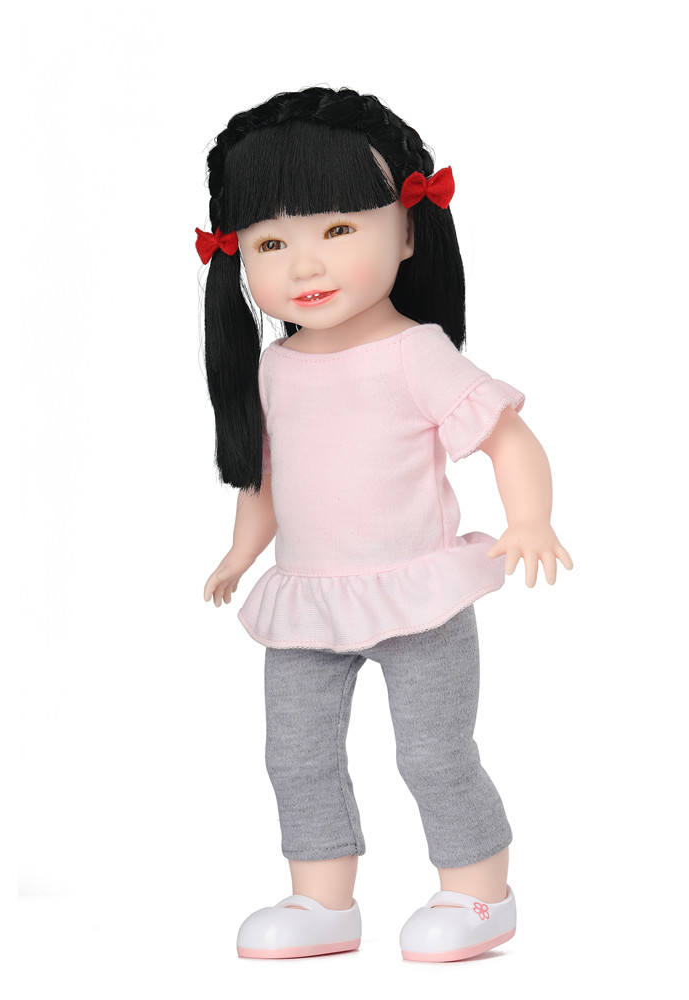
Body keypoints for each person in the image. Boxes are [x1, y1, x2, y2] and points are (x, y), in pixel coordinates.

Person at [197, 85, 572, 962]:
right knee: (296, 754)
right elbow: (265, 477)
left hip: (418, 597)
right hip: (307, 599)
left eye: (338, 229)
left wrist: (530, 518)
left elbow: (507, 436)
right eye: (270, 243)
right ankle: (321, 899)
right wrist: (243, 552)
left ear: (406, 231)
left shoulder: (416, 353)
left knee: (434, 752)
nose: (304, 265)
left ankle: (479, 893)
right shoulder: (275, 368)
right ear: (236, 253)